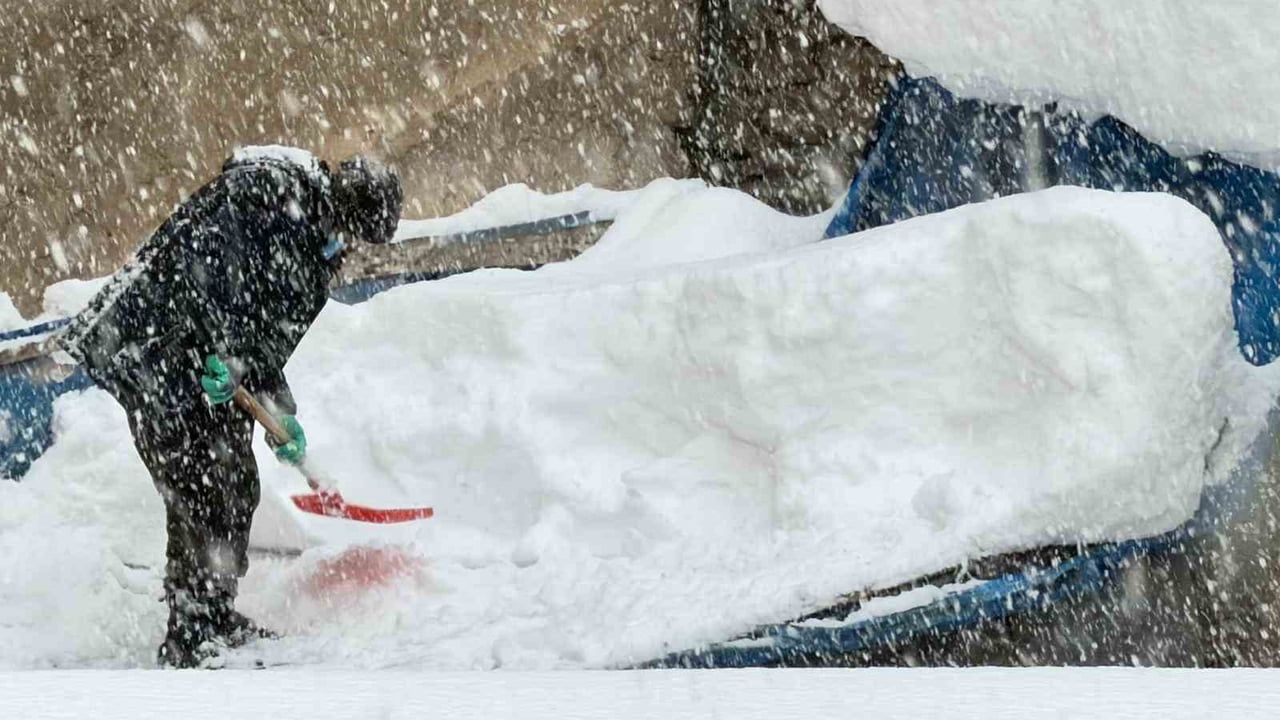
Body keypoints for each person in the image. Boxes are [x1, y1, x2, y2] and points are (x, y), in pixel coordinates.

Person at [60, 145, 402, 668]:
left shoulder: (310, 247)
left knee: (233, 483)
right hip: (153, 347)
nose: (350, 246)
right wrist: (218, 350)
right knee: (200, 484)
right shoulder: (266, 194)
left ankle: (212, 614)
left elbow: (264, 342)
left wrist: (277, 412)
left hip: (205, 364)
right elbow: (208, 278)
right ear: (344, 206)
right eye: (354, 233)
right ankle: (191, 636)